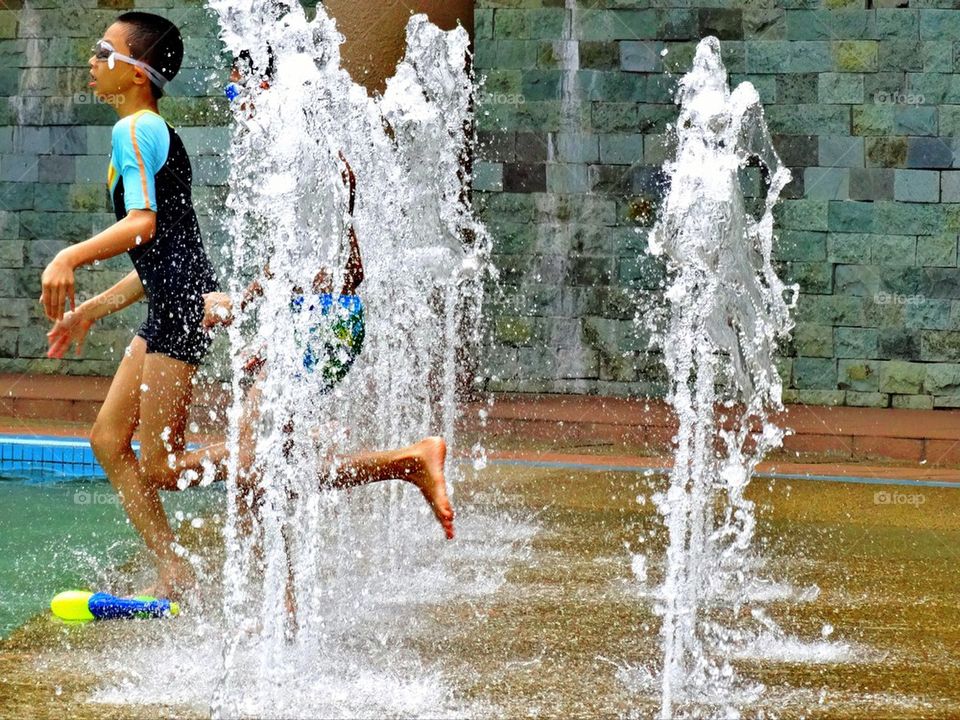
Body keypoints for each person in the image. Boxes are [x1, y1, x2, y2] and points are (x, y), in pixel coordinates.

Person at [42, 20, 452, 600]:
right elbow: (163, 257)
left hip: (243, 316)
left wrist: (68, 258)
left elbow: (145, 226)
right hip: (192, 305)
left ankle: (400, 463)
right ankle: (193, 574)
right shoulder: (152, 133)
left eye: (104, 50)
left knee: (192, 467)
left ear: (137, 72)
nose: (93, 57)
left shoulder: (138, 129)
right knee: (113, 442)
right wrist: (93, 310)